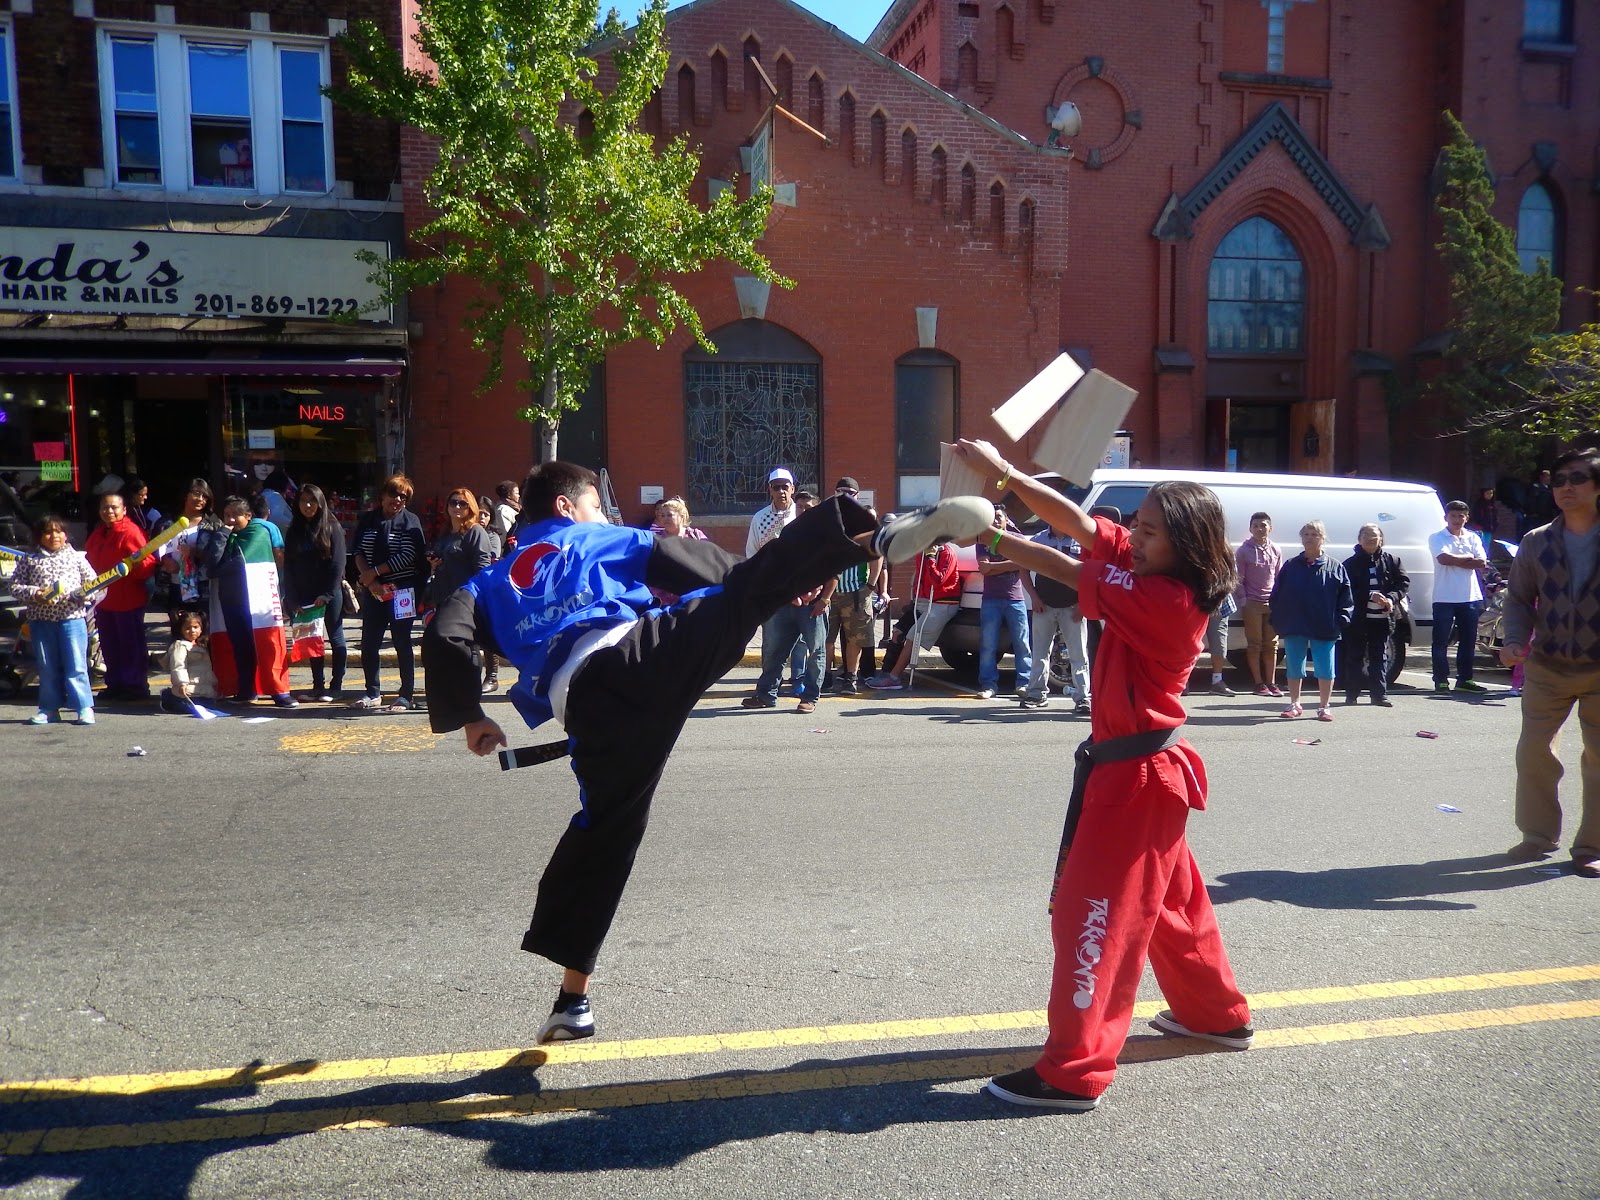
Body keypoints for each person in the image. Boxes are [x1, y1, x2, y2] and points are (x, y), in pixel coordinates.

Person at [422, 460, 994, 1042]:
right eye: (596, 502)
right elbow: (685, 560)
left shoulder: (486, 582)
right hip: (649, 648)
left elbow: (446, 633)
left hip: (589, 705)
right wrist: (749, 583)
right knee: (746, 590)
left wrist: (469, 715)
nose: (601, 512)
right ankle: (871, 536)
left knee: (606, 833)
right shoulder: (593, 536)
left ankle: (573, 1001)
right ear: (567, 507)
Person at [948, 438, 1251, 1113]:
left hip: (1137, 778)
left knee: (1092, 918)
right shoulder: (1148, 571)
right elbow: (1079, 525)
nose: (1132, 537)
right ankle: (1217, 1014)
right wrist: (1005, 474)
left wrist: (986, 526)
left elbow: (1058, 559)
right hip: (1144, 773)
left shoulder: (1166, 600)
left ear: (1185, 544)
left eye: (1147, 531)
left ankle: (1073, 1071)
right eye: (1136, 526)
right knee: (1173, 909)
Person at [1500, 448, 1600, 879]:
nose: (1566, 488)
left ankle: (1592, 845)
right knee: (1534, 751)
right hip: (1547, 666)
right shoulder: (1537, 541)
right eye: (1559, 480)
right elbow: (1519, 598)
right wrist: (1515, 640)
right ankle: (1538, 836)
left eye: (1577, 479)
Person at [207, 496, 296, 708]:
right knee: (241, 647)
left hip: (260, 602)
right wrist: (223, 534)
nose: (229, 520)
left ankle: (278, 691)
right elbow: (212, 566)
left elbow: (235, 564)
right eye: (226, 515)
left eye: (234, 515)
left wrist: (222, 565)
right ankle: (246, 690)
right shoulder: (225, 535)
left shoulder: (258, 532)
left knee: (268, 645)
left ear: (248, 516)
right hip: (232, 601)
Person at [742, 468, 819, 712]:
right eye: (776, 487)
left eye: (786, 486)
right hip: (776, 596)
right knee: (773, 647)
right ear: (770, 490)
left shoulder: (805, 515)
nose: (781, 491)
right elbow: (753, 555)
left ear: (793, 489)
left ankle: (808, 696)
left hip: (808, 595)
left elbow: (822, 556)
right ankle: (766, 694)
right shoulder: (760, 518)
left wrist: (818, 591)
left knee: (812, 648)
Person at [11, 514, 98, 725]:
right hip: (41, 621)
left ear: (66, 535)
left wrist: (83, 595)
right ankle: (49, 708)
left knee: (76, 664)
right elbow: (14, 586)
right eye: (48, 532)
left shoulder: (77, 557)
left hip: (72, 620)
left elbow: (94, 586)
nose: (54, 536)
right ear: (39, 536)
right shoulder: (29, 559)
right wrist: (36, 593)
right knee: (47, 666)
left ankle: (83, 707)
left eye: (58, 531)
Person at [351, 474, 428, 712]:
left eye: (404, 497)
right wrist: (369, 580)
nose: (398, 500)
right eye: (394, 494)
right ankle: (372, 692)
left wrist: (374, 572)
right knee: (369, 642)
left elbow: (408, 556)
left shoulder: (410, 521)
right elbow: (358, 550)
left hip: (402, 590)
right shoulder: (368, 519)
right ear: (383, 495)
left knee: (402, 642)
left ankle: (406, 695)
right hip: (374, 591)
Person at [1269, 521, 1353, 722]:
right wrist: (1279, 619)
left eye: (1314, 534)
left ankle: (1324, 706)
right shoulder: (1290, 566)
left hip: (1325, 625)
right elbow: (1277, 595)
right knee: (1294, 666)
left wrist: (1340, 620)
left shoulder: (1336, 567)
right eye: (1306, 534)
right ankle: (1295, 703)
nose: (1309, 537)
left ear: (1323, 538)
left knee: (1325, 668)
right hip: (1295, 625)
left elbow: (1346, 598)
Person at [85, 490, 158, 702]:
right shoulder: (99, 533)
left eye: (114, 507)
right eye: (105, 507)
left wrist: (132, 567)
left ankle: (134, 685)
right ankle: (115, 683)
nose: (109, 511)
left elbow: (147, 566)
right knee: (109, 644)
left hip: (127, 599)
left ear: (124, 509)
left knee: (130, 645)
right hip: (104, 600)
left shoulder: (130, 532)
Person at [864, 541, 963, 690]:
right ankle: (886, 672)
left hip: (941, 603)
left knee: (913, 636)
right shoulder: (921, 551)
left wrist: (930, 557)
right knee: (898, 631)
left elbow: (938, 580)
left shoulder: (946, 553)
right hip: (922, 601)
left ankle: (894, 677)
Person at [284, 484, 349, 703]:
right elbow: (289, 567)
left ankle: (336, 685)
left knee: (336, 637)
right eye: (303, 501)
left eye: (312, 501)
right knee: (312, 639)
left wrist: (327, 594)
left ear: (320, 503)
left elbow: (338, 563)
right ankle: (318, 686)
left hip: (328, 594)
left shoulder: (332, 526)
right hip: (304, 596)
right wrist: (291, 598)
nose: (308, 505)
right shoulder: (295, 529)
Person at [1018, 522, 1089, 714]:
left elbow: (1091, 573)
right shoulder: (1038, 540)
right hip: (1045, 605)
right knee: (1040, 652)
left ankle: (1083, 697)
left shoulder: (1081, 541)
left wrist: (1084, 603)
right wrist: (1033, 597)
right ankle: (1036, 694)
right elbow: (1023, 569)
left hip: (1073, 607)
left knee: (1078, 654)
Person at [1342, 524, 1409, 707]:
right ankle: (1351, 695)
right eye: (1366, 536)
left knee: (1379, 657)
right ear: (1359, 539)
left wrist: (1390, 598)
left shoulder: (1393, 561)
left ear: (1381, 539)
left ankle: (1379, 695)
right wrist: (1370, 595)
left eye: (1374, 536)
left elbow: (1403, 584)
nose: (1370, 539)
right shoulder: (1349, 564)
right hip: (1358, 620)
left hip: (1383, 619)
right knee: (1354, 657)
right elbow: (1346, 590)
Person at [1429, 500, 1490, 694]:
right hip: (1444, 597)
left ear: (1467, 517)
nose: (1457, 519)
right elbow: (1443, 559)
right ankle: (1441, 680)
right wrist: (1467, 560)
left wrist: (1458, 559)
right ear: (1446, 517)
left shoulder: (1473, 537)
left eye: (1461, 516)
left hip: (1469, 596)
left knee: (1468, 641)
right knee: (1441, 641)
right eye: (1453, 516)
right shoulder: (1436, 537)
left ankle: (1465, 679)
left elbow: (1481, 562)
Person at [975, 506, 1032, 700]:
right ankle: (988, 684)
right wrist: (1004, 564)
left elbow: (1022, 563)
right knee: (988, 645)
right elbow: (983, 569)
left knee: (1022, 644)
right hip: (990, 599)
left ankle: (1024, 683)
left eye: (999, 517)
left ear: (1006, 520)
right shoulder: (983, 540)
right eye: (992, 518)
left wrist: (993, 566)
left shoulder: (1018, 540)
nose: (996, 521)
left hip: (1015, 599)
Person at [160, 479, 226, 635]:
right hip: (176, 586)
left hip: (203, 586)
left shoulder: (214, 525)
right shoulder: (169, 523)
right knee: (178, 631)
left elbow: (219, 556)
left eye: (204, 496)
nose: (201, 499)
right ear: (185, 495)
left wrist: (195, 552)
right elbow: (155, 550)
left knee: (203, 633)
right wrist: (165, 561)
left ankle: (204, 660)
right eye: (197, 494)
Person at [1235, 512, 1283, 697]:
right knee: (1254, 644)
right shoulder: (1243, 550)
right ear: (1250, 528)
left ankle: (1271, 682)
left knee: (1272, 644)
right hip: (1252, 603)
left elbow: (1278, 576)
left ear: (1269, 528)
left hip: (1271, 602)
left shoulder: (1276, 550)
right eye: (1255, 525)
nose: (1259, 529)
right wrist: (1244, 599)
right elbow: (1239, 578)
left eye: (1263, 525)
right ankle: (1258, 683)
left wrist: (1278, 599)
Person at [160, 611, 220, 714]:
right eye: (188, 628)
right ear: (181, 630)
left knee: (210, 707)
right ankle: (168, 698)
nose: (192, 631)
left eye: (195, 627)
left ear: (201, 628)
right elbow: (178, 665)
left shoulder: (202, 646)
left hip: (203, 689)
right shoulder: (180, 646)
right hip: (187, 689)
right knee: (188, 708)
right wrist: (181, 683)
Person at [491, 480, 522, 551]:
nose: (519, 496)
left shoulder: (514, 508)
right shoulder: (503, 510)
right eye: (517, 493)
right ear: (509, 495)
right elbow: (506, 532)